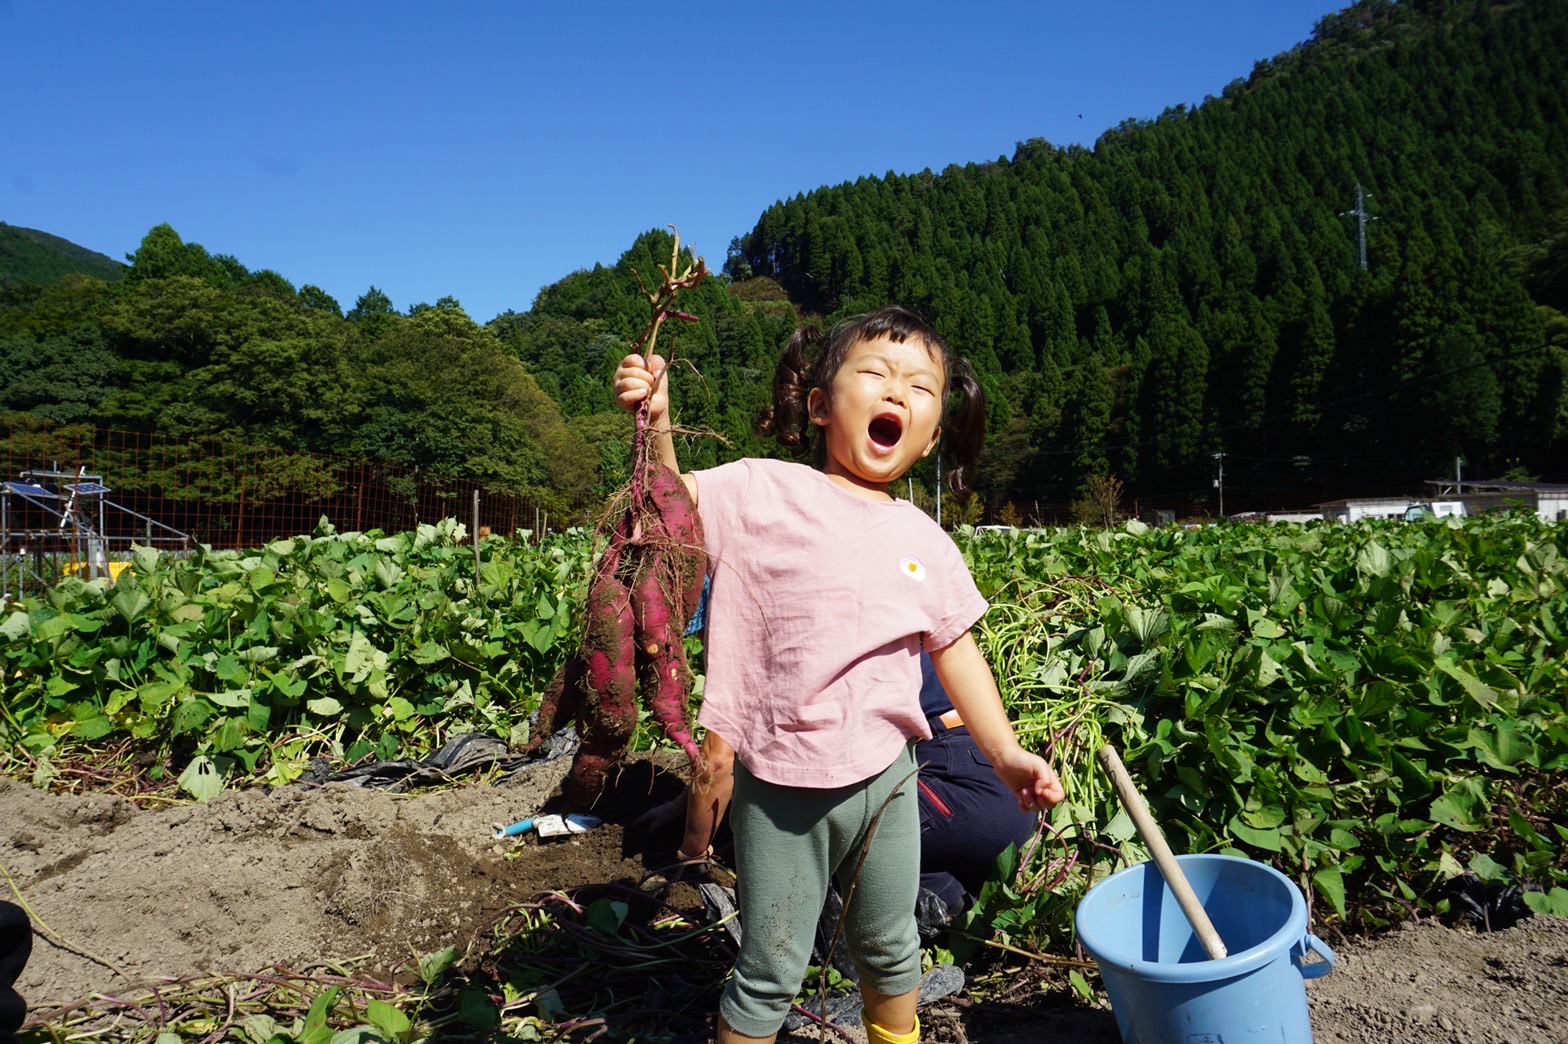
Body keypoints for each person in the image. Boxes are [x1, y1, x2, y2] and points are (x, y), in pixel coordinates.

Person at [613, 305, 1064, 1044]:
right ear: (821, 406)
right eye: (876, 375)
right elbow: (665, 506)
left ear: (932, 433)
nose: (898, 394)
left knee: (892, 955)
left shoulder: (924, 539)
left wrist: (1006, 751)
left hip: (887, 783)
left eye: (920, 388)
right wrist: (656, 422)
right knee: (769, 973)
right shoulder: (760, 491)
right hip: (781, 792)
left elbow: (957, 652)